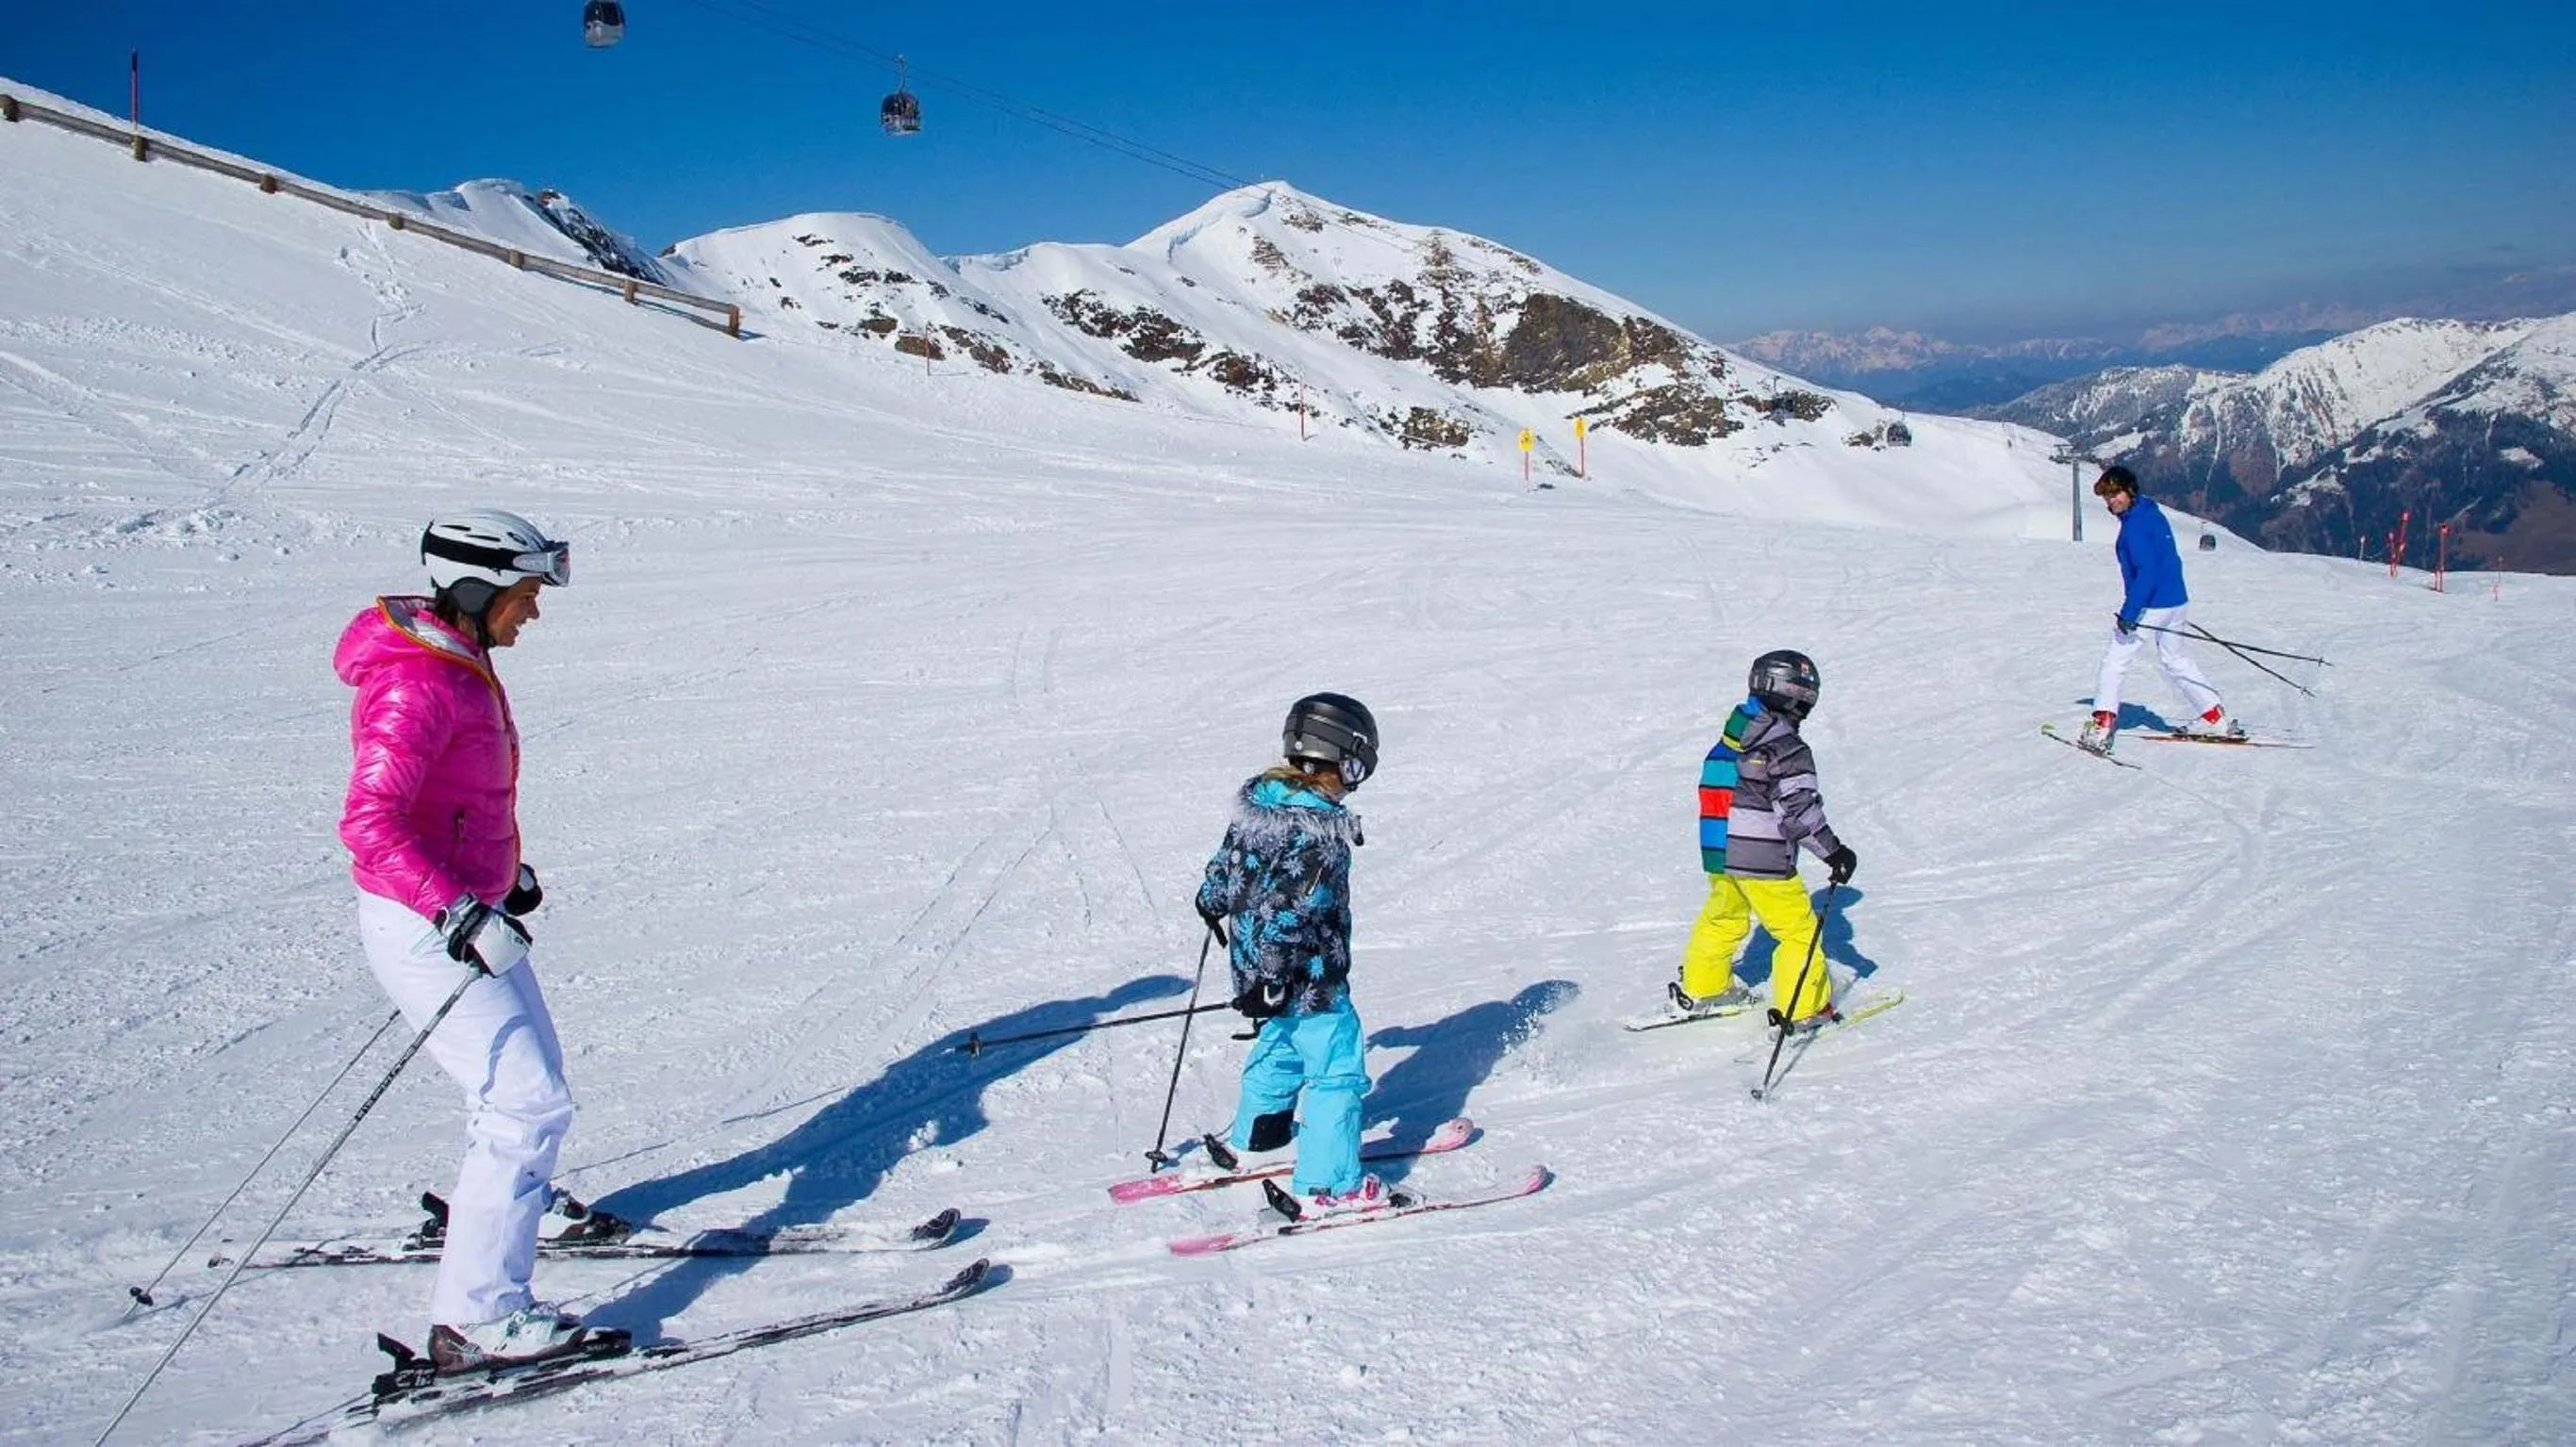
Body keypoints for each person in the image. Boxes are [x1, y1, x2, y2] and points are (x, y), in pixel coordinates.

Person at [335, 509, 595, 1373]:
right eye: (525, 595)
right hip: (426, 925)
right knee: (526, 1100)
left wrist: (497, 873)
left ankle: (512, 1202)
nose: (534, 612)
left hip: (461, 910)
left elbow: (452, 796)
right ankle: (477, 1319)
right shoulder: (418, 682)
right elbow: (370, 820)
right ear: (479, 591)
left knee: (530, 1092)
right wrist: (457, 908)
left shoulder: (458, 656)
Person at [1194, 693, 1381, 1220]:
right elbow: (1293, 910)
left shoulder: (1262, 806)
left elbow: (1226, 869)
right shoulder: (1321, 836)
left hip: (1258, 969)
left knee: (1281, 1042)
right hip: (1306, 974)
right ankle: (1329, 1185)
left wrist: (1211, 902)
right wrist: (1279, 974)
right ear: (1345, 758)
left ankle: (1260, 1137)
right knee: (1336, 1067)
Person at [1673, 650, 1858, 1026]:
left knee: (1723, 918)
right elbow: (1798, 813)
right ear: (1798, 696)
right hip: (1762, 861)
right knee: (1798, 931)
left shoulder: (1727, 742)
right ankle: (1803, 1007)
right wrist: (1834, 852)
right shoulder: (1787, 749)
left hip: (1721, 856)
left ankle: (1705, 988)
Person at [2080, 466, 2233, 752]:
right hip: (2176, 599)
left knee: (2116, 659)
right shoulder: (2150, 511)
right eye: (2107, 496)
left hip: (2151, 605)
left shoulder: (2134, 527)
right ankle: (2214, 716)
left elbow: (2147, 571)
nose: (2111, 501)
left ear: (2130, 490)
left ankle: (2101, 727)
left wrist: (2129, 613)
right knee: (2175, 659)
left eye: (2116, 494)